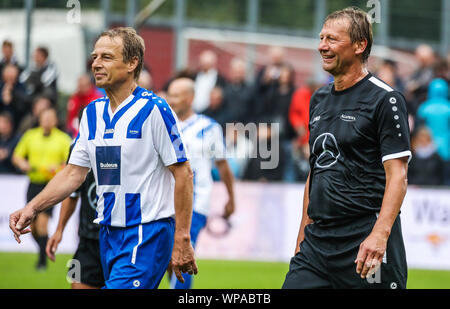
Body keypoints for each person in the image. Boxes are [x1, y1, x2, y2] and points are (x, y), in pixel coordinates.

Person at [9, 27, 197, 289]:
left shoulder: (155, 109)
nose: (96, 63)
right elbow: (73, 173)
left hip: (146, 233)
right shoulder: (92, 113)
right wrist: (32, 207)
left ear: (132, 63)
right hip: (106, 233)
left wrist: (182, 237)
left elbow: (183, 173)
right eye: (95, 56)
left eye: (107, 57)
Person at [282, 7, 411, 289]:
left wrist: (380, 234)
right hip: (317, 245)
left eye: (332, 39)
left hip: (364, 240)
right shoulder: (319, 99)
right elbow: (316, 172)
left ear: (360, 45)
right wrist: (302, 238)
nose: (322, 46)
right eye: (321, 38)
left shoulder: (385, 100)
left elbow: (398, 176)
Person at [167, 77, 235, 289]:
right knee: (168, 257)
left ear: (191, 98)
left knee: (183, 251)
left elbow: (222, 165)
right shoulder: (164, 124)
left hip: (196, 202)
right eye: (169, 95)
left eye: (176, 96)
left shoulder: (209, 127)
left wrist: (231, 198)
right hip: (165, 201)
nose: (171, 100)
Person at [12, 107, 72, 270]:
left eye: (50, 118)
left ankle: (42, 263)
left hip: (51, 186)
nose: (47, 121)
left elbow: (71, 163)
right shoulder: (30, 136)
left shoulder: (63, 139)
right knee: (34, 228)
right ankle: (43, 251)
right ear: (40, 120)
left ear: (55, 121)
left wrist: (58, 167)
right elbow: (17, 156)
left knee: (42, 225)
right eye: (44, 118)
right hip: (33, 184)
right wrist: (22, 163)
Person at [46, 167, 104, 289]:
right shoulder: (80, 148)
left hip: (122, 241)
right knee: (77, 285)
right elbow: (71, 194)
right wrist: (59, 230)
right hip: (88, 240)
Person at [66, 74, 103, 138]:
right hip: (75, 132)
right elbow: (70, 119)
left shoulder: (97, 99)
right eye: (79, 85)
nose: (80, 88)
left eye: (83, 86)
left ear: (89, 85)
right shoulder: (74, 98)